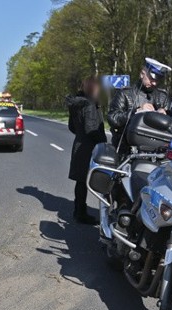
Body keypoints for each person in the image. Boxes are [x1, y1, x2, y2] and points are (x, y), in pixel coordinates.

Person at [66, 76, 106, 225]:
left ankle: (78, 211)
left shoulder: (76, 103)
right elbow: (91, 129)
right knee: (91, 181)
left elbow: (71, 127)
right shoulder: (89, 105)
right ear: (92, 88)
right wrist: (103, 140)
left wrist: (80, 134)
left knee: (81, 182)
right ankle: (82, 214)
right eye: (97, 88)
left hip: (79, 145)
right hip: (89, 148)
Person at [107, 57, 172, 148]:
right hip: (126, 146)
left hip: (155, 148)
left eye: (157, 80)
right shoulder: (125, 93)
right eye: (152, 78)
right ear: (142, 74)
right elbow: (113, 118)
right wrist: (136, 112)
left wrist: (165, 116)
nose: (154, 83)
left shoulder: (163, 97)